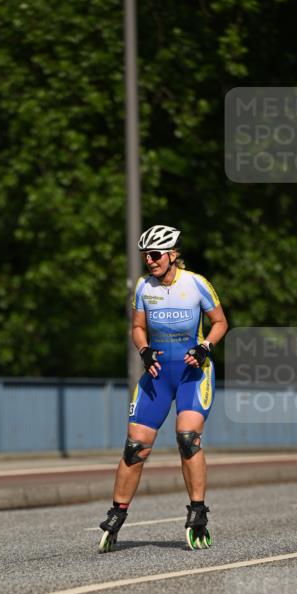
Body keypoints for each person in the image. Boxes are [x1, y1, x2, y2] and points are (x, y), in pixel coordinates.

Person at [98, 224, 228, 552]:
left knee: (187, 439)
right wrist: (143, 350)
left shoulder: (196, 283)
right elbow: (138, 327)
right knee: (135, 447)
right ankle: (117, 512)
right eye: (146, 256)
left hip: (192, 374)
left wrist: (205, 347)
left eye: (155, 255)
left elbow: (221, 322)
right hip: (157, 374)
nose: (150, 261)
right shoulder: (143, 286)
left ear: (172, 255)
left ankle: (197, 511)